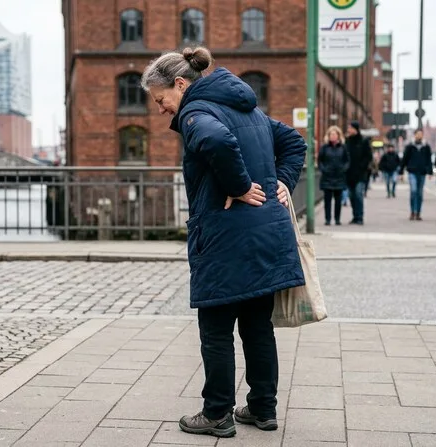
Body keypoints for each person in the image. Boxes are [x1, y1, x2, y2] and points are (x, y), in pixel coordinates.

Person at [141, 47, 306, 438]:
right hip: (264, 236)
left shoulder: (197, 114)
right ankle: (263, 409)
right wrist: (280, 181)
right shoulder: (250, 109)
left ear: (180, 85)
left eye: (162, 100)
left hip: (223, 238)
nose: (162, 110)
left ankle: (217, 413)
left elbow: (215, 142)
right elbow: (294, 143)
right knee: (256, 327)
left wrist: (238, 185)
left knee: (216, 329)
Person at [317, 126, 350, 226]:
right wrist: (324, 169)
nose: (333, 136)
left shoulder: (343, 147)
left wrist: (343, 169)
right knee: (327, 201)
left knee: (338, 201)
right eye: (331, 134)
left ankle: (337, 219)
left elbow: (347, 160)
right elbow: (320, 160)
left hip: (339, 177)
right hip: (327, 177)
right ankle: (327, 219)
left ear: (338, 136)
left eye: (335, 134)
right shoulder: (324, 147)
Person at [401, 129, 433, 221]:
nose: (419, 136)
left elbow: (429, 160)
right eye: (418, 134)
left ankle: (418, 212)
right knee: (413, 191)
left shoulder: (426, 146)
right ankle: (412, 211)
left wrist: (430, 172)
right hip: (412, 171)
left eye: (421, 134)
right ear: (415, 135)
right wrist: (401, 171)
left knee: (420, 193)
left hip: (422, 172)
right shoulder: (410, 146)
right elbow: (405, 159)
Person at [344, 121, 372, 225]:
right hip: (349, 173)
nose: (348, 130)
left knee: (358, 194)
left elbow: (368, 156)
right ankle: (355, 216)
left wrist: (362, 167)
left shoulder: (364, 141)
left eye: (350, 128)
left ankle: (360, 217)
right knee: (351, 196)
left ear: (355, 129)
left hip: (360, 174)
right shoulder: (347, 141)